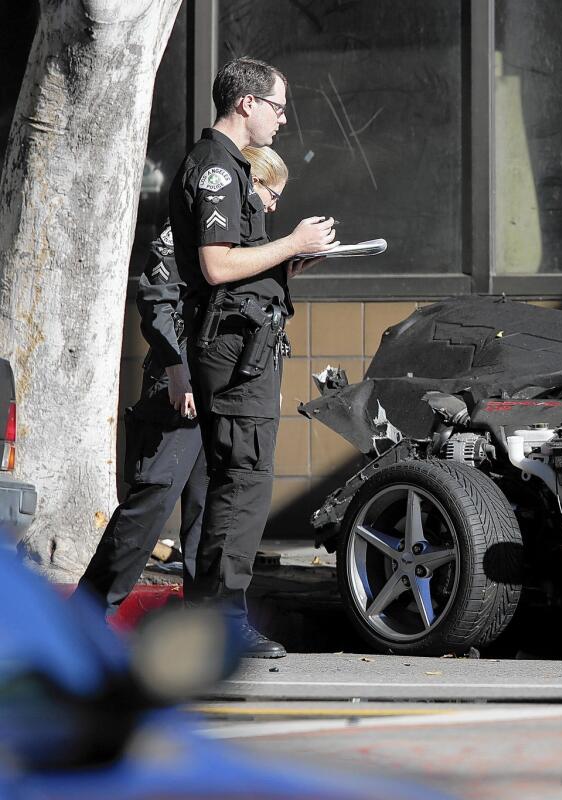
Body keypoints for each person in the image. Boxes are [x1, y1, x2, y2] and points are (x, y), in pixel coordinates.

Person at [77, 145, 293, 620]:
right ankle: (87, 613)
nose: (273, 206)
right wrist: (177, 372)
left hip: (223, 386)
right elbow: (157, 301)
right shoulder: (195, 230)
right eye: (270, 193)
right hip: (179, 386)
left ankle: (205, 621)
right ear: (248, 184)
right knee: (153, 499)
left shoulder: (247, 240)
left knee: (210, 508)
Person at [169, 57, 336, 658]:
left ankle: (209, 618)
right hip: (235, 352)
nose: (283, 119)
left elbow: (235, 265)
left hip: (241, 345)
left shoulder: (230, 168)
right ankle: (220, 622)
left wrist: (288, 262)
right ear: (246, 104)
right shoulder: (216, 169)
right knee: (244, 482)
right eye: (278, 106)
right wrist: (290, 242)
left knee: (229, 480)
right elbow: (217, 266)